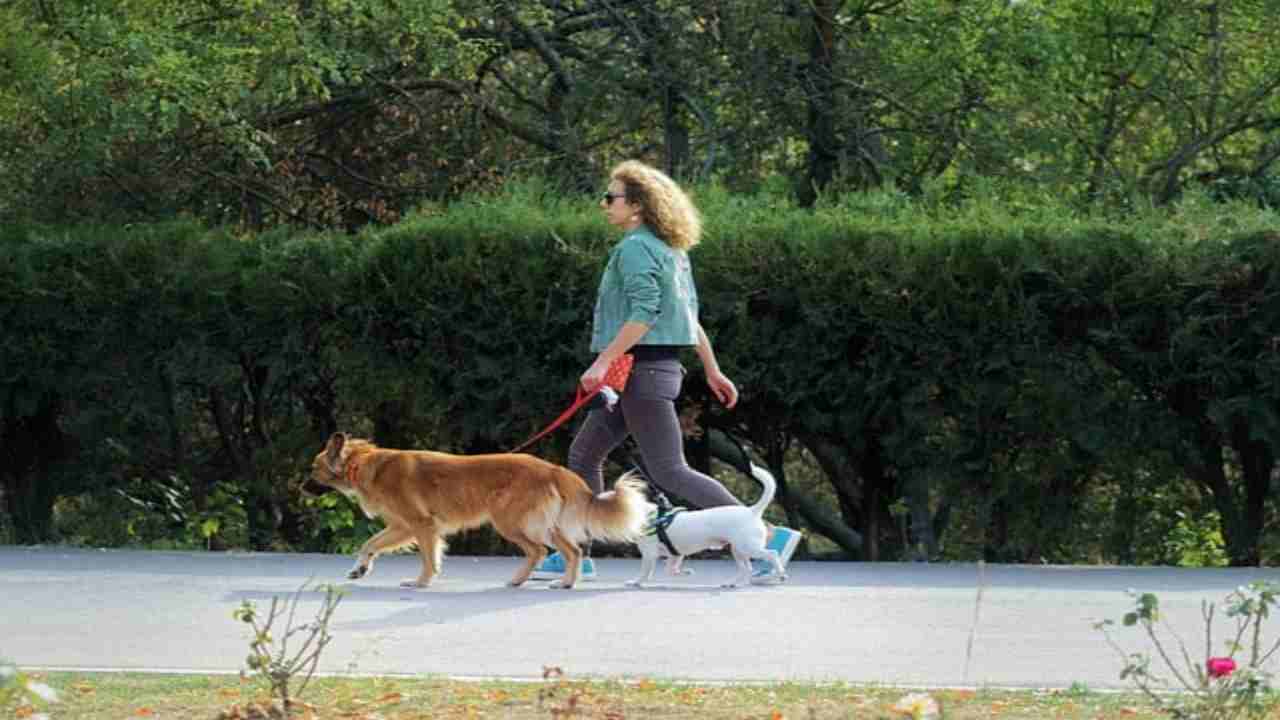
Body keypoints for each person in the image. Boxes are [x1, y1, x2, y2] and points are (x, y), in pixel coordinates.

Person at [531, 159, 801, 583]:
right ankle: (574, 555)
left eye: (611, 197)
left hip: (639, 371)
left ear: (636, 205)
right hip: (648, 370)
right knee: (585, 454)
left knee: (669, 469)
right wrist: (712, 370)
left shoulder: (636, 248)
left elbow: (646, 312)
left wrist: (603, 360)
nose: (605, 205)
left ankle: (765, 534)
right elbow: (688, 318)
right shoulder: (671, 250)